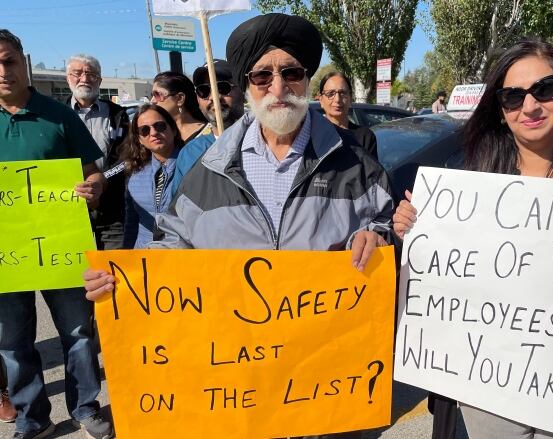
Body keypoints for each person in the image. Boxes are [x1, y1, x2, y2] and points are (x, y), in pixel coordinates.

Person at [82, 13, 395, 439]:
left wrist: (378, 237)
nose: (278, 87)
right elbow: (172, 245)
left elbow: (388, 233)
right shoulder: (209, 171)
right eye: (263, 75)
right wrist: (124, 282)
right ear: (247, 86)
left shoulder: (358, 167)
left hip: (327, 398)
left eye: (292, 72)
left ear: (307, 79)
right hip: (237, 400)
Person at [392, 39, 553, 439]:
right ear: (500, 109)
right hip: (489, 391)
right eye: (512, 96)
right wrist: (412, 232)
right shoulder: (471, 183)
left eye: (544, 89)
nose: (529, 107)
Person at [0, 29, 113, 439]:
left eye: (9, 60)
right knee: (12, 342)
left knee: (79, 332)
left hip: (62, 243)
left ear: (24, 62)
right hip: (6, 254)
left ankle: (85, 407)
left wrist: (95, 187)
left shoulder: (59, 115)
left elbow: (93, 173)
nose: (3, 70)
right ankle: (33, 418)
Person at [65, 54, 130, 250]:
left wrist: (102, 180)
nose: (84, 79)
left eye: (91, 74)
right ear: (68, 78)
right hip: (68, 206)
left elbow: (127, 157)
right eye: (77, 73)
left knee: (114, 269)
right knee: (74, 271)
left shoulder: (117, 114)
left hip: (111, 206)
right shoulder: (56, 115)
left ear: (100, 80)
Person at [169, 59, 246, 195]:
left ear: (242, 91)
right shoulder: (190, 153)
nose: (213, 97)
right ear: (197, 99)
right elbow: (177, 210)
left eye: (222, 88)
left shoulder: (263, 143)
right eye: (204, 90)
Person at [122, 104, 184, 249]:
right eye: (144, 130)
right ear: (139, 139)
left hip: (183, 256)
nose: (153, 133)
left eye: (160, 126)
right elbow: (131, 223)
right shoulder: (135, 174)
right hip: (145, 256)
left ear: (173, 129)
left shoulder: (193, 165)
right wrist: (127, 257)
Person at [317, 71, 378, 158]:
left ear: (350, 98)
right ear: (321, 100)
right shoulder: (311, 136)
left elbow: (372, 170)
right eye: (330, 93)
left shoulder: (365, 137)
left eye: (343, 93)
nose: (337, 99)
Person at [149, 71, 207, 143]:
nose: (152, 101)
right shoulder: (157, 134)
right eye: (152, 95)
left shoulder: (209, 134)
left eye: (157, 95)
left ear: (180, 99)